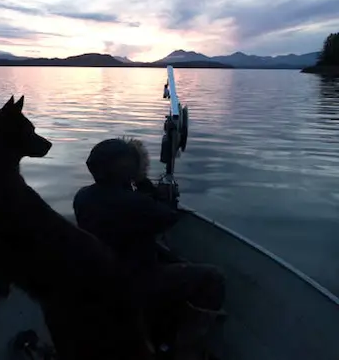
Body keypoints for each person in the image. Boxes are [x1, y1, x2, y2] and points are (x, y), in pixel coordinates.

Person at [73, 137, 226, 358]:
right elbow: (168, 217)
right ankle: (184, 349)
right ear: (126, 169)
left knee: (167, 261)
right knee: (213, 277)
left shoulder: (82, 197)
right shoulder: (135, 203)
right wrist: (148, 185)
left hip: (101, 280)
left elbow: (130, 213)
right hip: (134, 283)